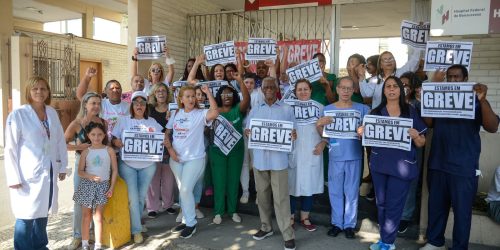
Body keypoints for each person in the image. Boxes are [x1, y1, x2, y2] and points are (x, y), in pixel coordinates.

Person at [421, 65, 499, 250]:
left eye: (457, 77)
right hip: (438, 163)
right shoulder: (440, 98)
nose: (453, 80)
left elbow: (493, 127)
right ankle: (434, 242)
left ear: (465, 79)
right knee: (436, 208)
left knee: (462, 212)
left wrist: (483, 100)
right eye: (450, 77)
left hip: (464, 166)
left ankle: (459, 247)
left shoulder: (476, 100)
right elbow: (429, 122)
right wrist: (432, 87)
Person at [357, 76, 426, 250]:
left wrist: (416, 136)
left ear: (401, 90)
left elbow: (421, 142)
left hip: (402, 166)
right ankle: (384, 239)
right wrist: (361, 132)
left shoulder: (410, 111)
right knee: (381, 203)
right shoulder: (375, 113)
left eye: (395, 86)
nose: (392, 89)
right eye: (388, 86)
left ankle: (388, 242)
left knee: (394, 205)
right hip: (380, 165)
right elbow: (367, 139)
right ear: (384, 90)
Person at [5, 76, 68, 250]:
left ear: (48, 92)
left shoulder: (52, 113)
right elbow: (10, 148)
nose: (39, 92)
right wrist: (14, 178)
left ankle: (40, 246)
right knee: (25, 217)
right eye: (35, 89)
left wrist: (62, 166)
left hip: (48, 172)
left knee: (42, 213)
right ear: (28, 92)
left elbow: (59, 141)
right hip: (26, 175)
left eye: (43, 89)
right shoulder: (18, 115)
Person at [245, 77, 297, 250]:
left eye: (271, 86)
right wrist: (248, 132)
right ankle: (266, 227)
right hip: (260, 161)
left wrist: (293, 136)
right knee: (262, 197)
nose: (268, 89)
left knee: (282, 199)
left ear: (277, 89)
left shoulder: (287, 109)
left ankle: (287, 234)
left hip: (279, 161)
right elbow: (249, 131)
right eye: (265, 86)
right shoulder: (255, 110)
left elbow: (293, 132)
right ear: (262, 89)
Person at [317, 76, 370, 239]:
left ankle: (349, 225)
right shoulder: (327, 109)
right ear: (337, 89)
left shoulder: (363, 109)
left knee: (352, 191)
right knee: (335, 191)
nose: (346, 91)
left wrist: (364, 131)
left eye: (349, 88)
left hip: (354, 155)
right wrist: (319, 125)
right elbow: (324, 135)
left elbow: (370, 134)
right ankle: (337, 223)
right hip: (335, 155)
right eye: (343, 88)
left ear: (354, 90)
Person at [111, 91, 165, 244]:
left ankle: (136, 223)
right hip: (127, 165)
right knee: (133, 199)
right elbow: (114, 138)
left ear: (146, 106)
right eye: (136, 103)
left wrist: (163, 141)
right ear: (132, 105)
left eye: (142, 103)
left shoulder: (152, 122)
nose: (139, 105)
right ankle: (136, 231)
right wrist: (117, 143)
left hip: (148, 166)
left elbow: (162, 137)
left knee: (140, 198)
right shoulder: (123, 120)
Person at [165, 85, 219, 238]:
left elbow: (215, 113)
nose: (191, 99)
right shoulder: (176, 113)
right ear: (181, 99)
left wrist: (208, 92)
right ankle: (186, 219)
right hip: (176, 159)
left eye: (193, 96)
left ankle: (191, 223)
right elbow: (168, 133)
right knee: (184, 191)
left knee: (185, 190)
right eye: (187, 96)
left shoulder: (200, 113)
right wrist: (171, 151)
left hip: (195, 159)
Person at [64, 92, 107, 250]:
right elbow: (63, 143)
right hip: (82, 166)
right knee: (81, 202)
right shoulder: (77, 123)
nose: (96, 106)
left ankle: (92, 234)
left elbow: (106, 143)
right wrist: (78, 147)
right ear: (85, 105)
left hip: (100, 166)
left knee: (97, 202)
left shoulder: (103, 122)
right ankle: (77, 236)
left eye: (98, 103)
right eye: (92, 103)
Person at [209, 71, 250, 224]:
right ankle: (218, 212)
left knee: (233, 182)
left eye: (230, 94)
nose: (226, 97)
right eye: (224, 94)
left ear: (234, 96)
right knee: (219, 181)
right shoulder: (215, 111)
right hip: (217, 152)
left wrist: (240, 82)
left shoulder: (238, 108)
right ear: (219, 96)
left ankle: (233, 211)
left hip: (236, 152)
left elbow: (247, 99)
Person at [286, 79, 325, 232]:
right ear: (295, 92)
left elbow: (328, 130)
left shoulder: (320, 107)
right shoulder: (287, 108)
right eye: (299, 89)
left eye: (305, 89)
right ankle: (289, 217)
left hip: (312, 152)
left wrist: (323, 143)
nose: (303, 92)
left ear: (311, 90)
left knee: (309, 185)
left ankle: (305, 217)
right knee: (291, 186)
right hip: (293, 151)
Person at [73, 122, 118, 250]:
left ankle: (97, 244)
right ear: (88, 135)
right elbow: (80, 171)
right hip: (87, 185)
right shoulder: (86, 152)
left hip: (103, 186)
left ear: (104, 135)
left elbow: (114, 170)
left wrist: (111, 187)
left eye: (99, 134)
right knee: (86, 215)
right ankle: (85, 243)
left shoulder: (109, 150)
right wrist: (90, 176)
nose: (96, 137)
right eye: (93, 134)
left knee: (98, 216)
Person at [397, 72, 424, 234]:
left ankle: (405, 217)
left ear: (413, 88)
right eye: (401, 85)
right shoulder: (393, 103)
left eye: (406, 85)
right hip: (395, 150)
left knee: (410, 182)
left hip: (413, 148)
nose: (403, 88)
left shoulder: (417, 104)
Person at [146, 83, 176, 218]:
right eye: (158, 91)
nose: (161, 93)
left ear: (167, 93)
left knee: (168, 179)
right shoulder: (149, 109)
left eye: (163, 91)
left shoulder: (174, 109)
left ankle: (168, 204)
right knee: (153, 179)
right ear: (154, 94)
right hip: (153, 149)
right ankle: (152, 207)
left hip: (170, 147)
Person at [76, 67, 130, 140]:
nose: (115, 90)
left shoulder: (128, 106)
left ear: (121, 90)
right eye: (112, 88)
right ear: (105, 91)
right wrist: (87, 77)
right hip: (101, 144)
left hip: (120, 145)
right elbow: (81, 96)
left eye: (118, 88)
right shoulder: (100, 103)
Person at [240, 73, 263, 204]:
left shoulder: (258, 95)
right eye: (246, 82)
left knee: (256, 164)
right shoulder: (238, 95)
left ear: (255, 84)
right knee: (244, 164)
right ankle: (245, 191)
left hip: (256, 133)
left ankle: (259, 193)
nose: (248, 85)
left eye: (251, 83)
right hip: (242, 132)